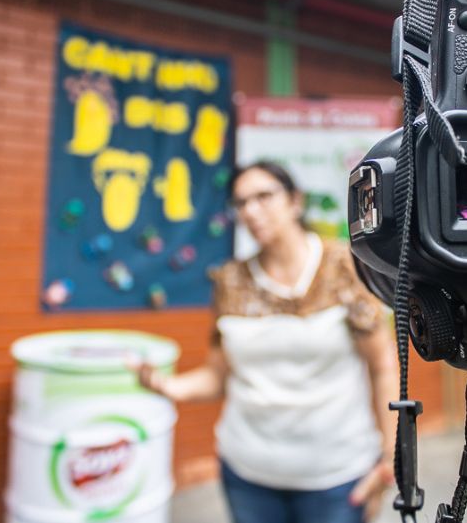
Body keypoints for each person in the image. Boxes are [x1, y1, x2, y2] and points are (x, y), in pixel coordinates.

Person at [133, 160, 396, 523]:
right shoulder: (230, 281)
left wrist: (389, 457)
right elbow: (217, 375)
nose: (251, 211)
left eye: (264, 196)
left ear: (295, 201)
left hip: (337, 475)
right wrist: (163, 384)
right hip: (248, 472)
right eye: (241, 203)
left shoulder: (345, 266)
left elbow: (382, 366)